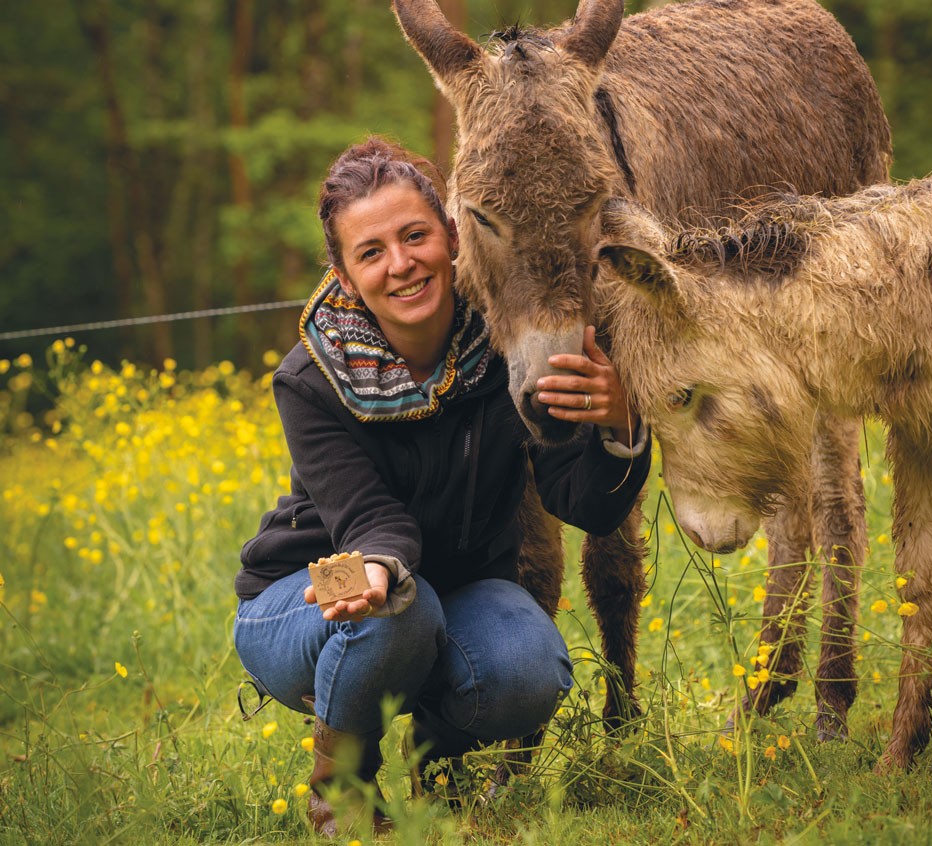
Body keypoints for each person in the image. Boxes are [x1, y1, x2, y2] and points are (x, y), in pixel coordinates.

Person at [233, 137, 651, 837]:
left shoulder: (506, 347)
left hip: (452, 591)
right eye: (371, 252)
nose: (401, 264)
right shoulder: (308, 379)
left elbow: (580, 500)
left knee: (531, 664)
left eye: (415, 236)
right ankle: (344, 796)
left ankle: (442, 768)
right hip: (315, 581)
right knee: (397, 603)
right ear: (343, 272)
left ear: (452, 237)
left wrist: (620, 427)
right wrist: (374, 569)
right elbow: (366, 518)